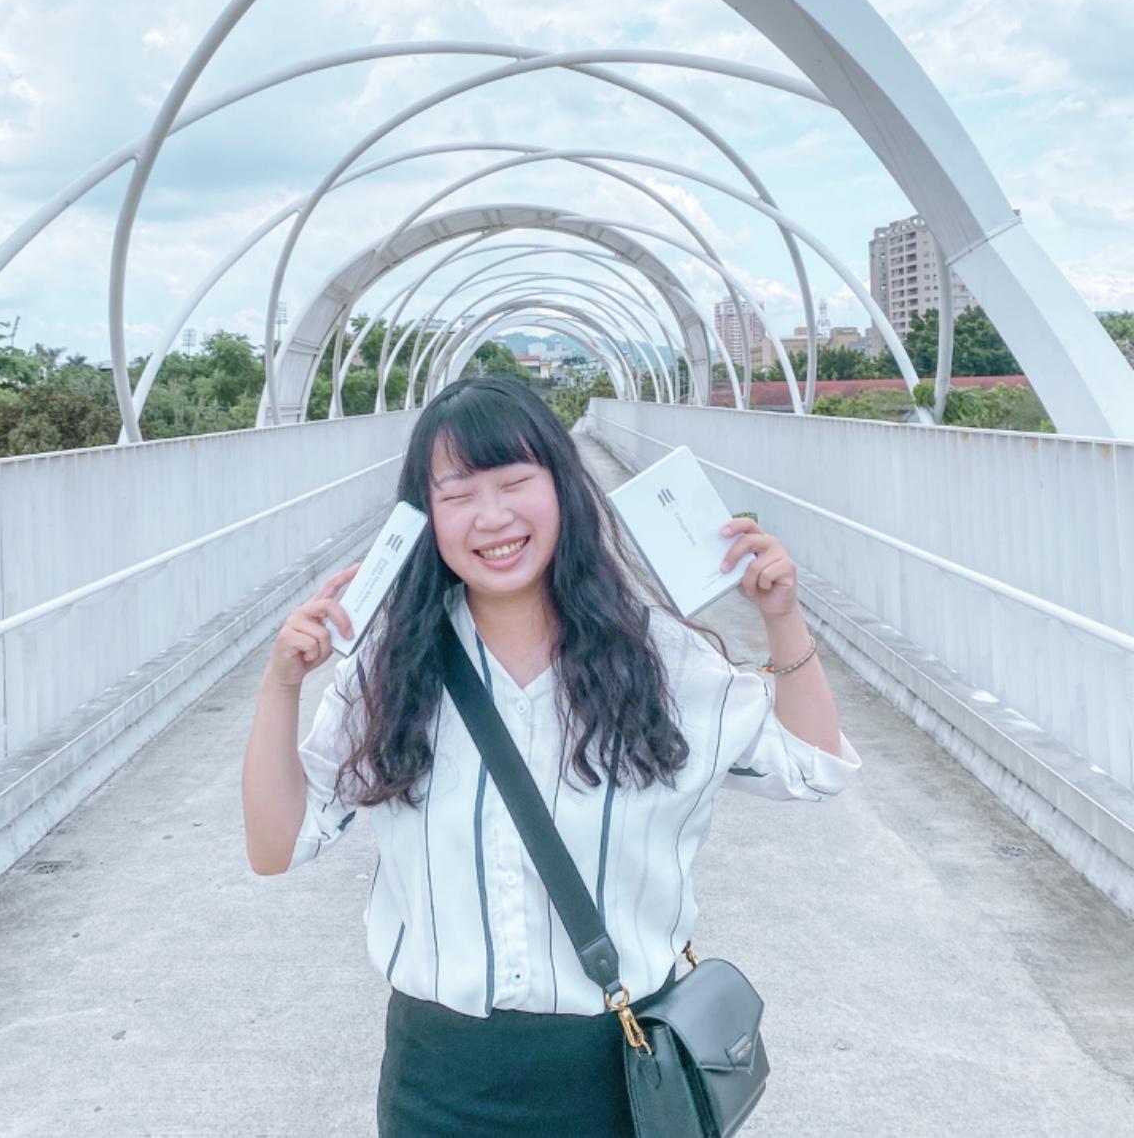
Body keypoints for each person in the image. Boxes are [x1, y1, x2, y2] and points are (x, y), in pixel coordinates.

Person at [242, 377, 860, 1136]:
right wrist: (282, 684)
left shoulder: (660, 659)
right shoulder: (391, 671)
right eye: (458, 493)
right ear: (423, 517)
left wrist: (782, 617)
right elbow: (275, 846)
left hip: (625, 1079)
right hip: (437, 1088)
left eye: (515, 482)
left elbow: (813, 767)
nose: (492, 516)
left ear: (563, 486)